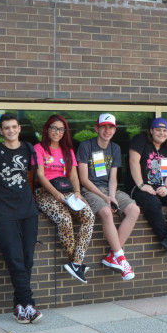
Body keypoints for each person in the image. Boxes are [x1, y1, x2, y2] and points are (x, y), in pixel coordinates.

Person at [0, 114, 42, 323]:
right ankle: (30, 305)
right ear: (1, 131)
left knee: (27, 259)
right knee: (15, 260)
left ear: (19, 129)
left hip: (28, 211)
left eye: (14, 127)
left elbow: (32, 176)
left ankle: (19, 307)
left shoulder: (28, 149)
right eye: (6, 128)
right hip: (4, 213)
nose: (10, 131)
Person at [77, 113, 140, 280]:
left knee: (134, 209)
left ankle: (113, 255)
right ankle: (121, 258)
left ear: (114, 130)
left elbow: (113, 178)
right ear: (96, 128)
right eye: (104, 126)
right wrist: (105, 199)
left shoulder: (115, 148)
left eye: (111, 127)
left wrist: (111, 196)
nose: (107, 130)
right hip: (90, 190)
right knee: (106, 212)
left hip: (109, 189)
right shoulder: (86, 146)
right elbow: (83, 179)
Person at [34, 114, 95, 284]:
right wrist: (55, 194)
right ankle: (75, 261)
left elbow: (74, 176)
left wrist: (77, 192)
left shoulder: (68, 150)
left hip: (66, 190)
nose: (57, 132)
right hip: (45, 192)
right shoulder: (39, 148)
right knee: (65, 219)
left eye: (61, 129)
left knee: (88, 216)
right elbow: (40, 175)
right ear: (47, 129)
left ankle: (77, 262)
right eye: (54, 128)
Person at [129, 117, 167, 260]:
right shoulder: (140, 140)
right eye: (158, 130)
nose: (161, 133)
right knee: (153, 204)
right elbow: (133, 161)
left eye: (164, 130)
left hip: (162, 185)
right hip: (139, 186)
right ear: (151, 130)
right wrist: (142, 185)